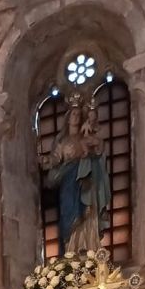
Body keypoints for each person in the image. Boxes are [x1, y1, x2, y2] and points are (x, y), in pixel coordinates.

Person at [41, 94, 111, 255]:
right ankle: (72, 248)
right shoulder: (62, 141)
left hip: (86, 179)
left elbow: (99, 151)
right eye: (73, 114)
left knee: (88, 211)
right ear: (67, 118)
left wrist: (93, 145)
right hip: (69, 180)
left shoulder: (86, 137)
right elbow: (56, 159)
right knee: (69, 214)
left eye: (79, 114)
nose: (76, 117)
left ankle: (89, 246)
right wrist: (46, 160)